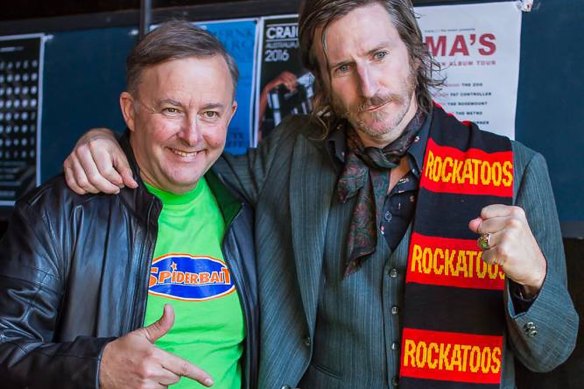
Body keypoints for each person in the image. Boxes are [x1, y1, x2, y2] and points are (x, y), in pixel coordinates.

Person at [63, 1, 578, 388]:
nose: (370, 86)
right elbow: (191, 160)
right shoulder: (291, 153)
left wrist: (533, 281)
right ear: (326, 83)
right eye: (344, 68)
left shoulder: (513, 170)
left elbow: (551, 352)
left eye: (379, 55)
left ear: (414, 55)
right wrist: (109, 138)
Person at [0, 21, 258, 389]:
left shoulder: (248, 214)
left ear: (231, 114)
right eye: (171, 109)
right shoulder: (58, 213)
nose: (192, 134)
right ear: (130, 111)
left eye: (210, 114)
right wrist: (98, 367)